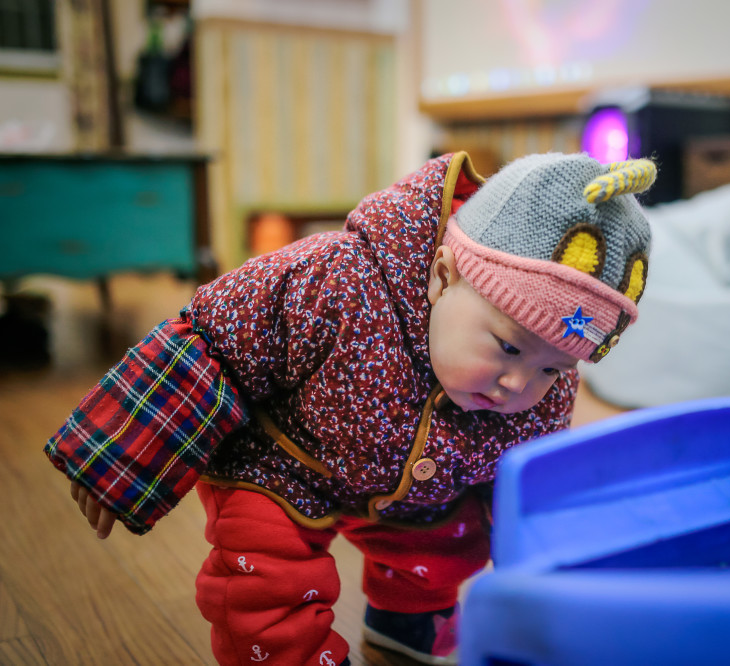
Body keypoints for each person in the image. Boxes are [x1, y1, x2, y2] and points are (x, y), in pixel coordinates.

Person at [46, 151, 656, 666]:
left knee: (443, 553)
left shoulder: (538, 389)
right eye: (506, 346)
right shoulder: (337, 279)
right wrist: (121, 451)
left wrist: (548, 561)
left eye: (553, 369)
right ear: (445, 275)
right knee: (263, 587)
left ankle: (404, 637)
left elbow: (530, 475)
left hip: (422, 492)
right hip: (283, 461)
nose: (518, 385)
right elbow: (215, 339)